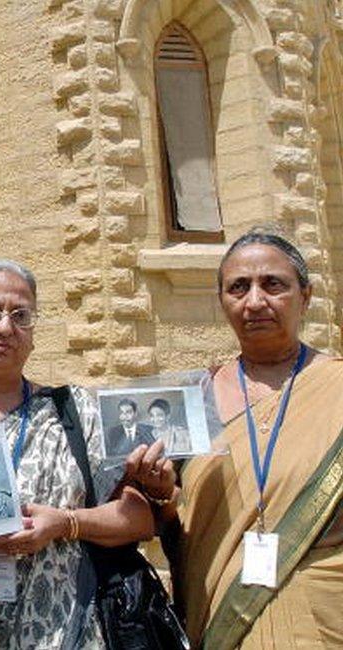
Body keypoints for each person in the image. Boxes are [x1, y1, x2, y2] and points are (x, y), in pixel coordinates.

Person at [0, 258, 155, 648]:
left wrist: (66, 523)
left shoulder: (75, 411)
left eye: (21, 315)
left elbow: (139, 518)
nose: (5, 327)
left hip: (69, 630)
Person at [129, 229, 343, 649]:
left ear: (306, 295)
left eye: (273, 284)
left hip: (323, 616)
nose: (255, 301)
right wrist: (160, 496)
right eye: (238, 288)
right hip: (219, 612)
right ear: (223, 301)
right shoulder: (194, 399)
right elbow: (173, 518)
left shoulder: (336, 385)